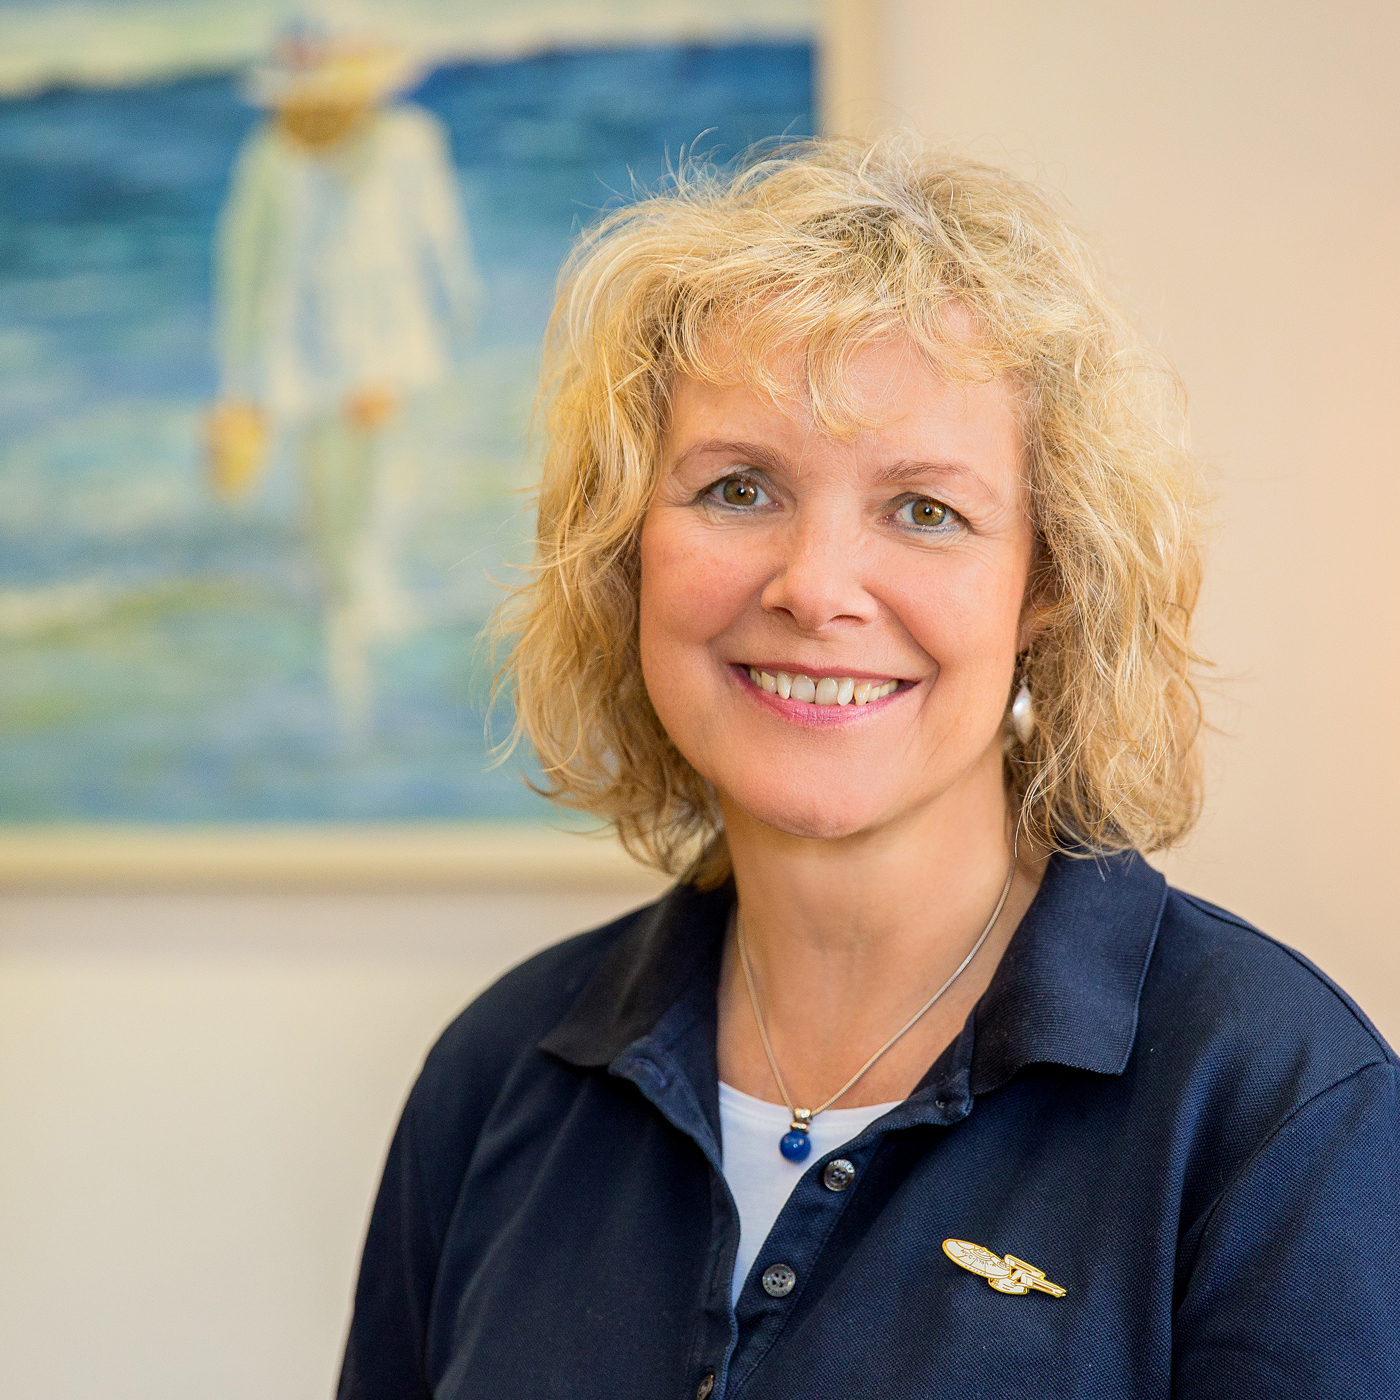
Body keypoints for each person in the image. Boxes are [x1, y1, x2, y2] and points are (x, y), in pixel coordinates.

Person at [337, 138, 1399, 1398]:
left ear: (1047, 586)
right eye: (738, 489)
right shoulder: (496, 1073)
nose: (815, 587)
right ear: (625, 551)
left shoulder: (1273, 1106)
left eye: (923, 510)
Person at [207, 14, 477, 736]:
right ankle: (345, 652)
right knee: (323, 512)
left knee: (376, 505)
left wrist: (434, 340)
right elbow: (245, 268)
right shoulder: (272, 154)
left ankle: (368, 652)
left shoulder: (408, 140)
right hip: (300, 363)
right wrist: (239, 387)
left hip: (384, 360)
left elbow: (439, 245)